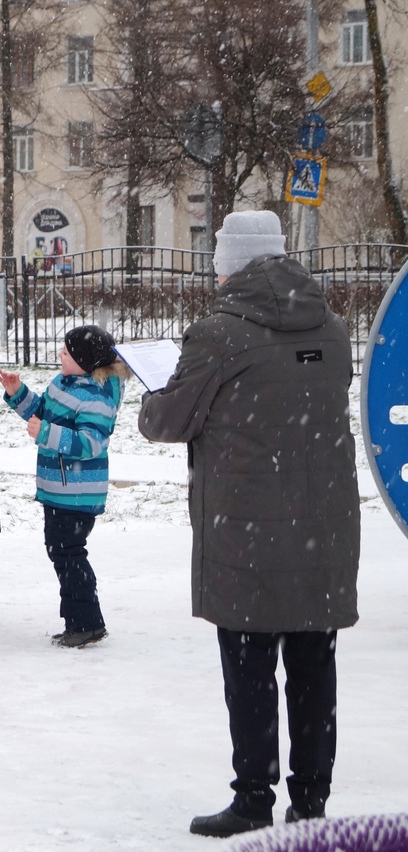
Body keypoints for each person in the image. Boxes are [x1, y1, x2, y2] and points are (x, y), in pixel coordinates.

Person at [136, 211, 360, 838]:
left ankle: (253, 798)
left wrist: (154, 395)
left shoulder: (219, 333)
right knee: (315, 667)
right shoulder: (334, 328)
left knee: (250, 667)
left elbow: (169, 420)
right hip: (324, 524)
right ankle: (311, 803)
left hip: (247, 529)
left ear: (226, 262)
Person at [0, 324, 129, 649]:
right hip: (58, 488)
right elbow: (43, 413)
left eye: (67, 352)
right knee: (61, 551)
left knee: (68, 553)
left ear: (85, 361)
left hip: (78, 490)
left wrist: (46, 434)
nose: (61, 355)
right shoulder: (66, 383)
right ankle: (81, 621)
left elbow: (90, 443)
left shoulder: (95, 396)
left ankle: (85, 624)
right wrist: (19, 394)